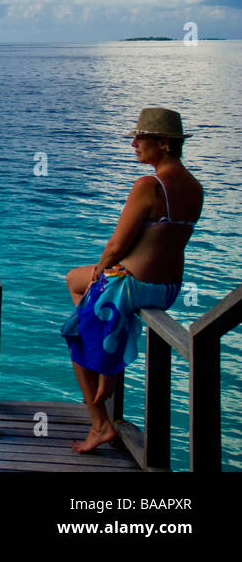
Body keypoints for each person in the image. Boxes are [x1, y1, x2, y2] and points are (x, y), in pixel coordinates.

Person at [61, 107, 203, 454]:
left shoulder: (149, 185)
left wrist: (101, 266)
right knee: (82, 294)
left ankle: (100, 424)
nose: (134, 144)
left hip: (131, 285)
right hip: (167, 289)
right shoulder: (195, 188)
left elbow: (116, 245)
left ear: (165, 144)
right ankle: (107, 350)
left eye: (141, 138)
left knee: (75, 327)